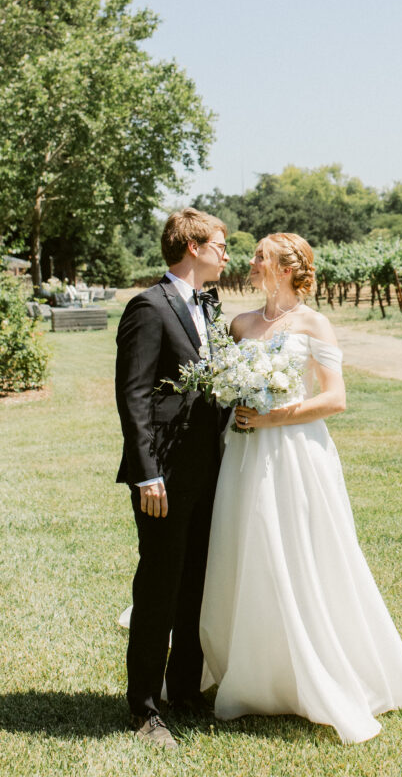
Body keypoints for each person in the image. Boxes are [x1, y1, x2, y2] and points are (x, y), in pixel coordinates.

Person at [200, 232, 402, 744]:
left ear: (284, 267)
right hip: (243, 451)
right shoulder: (240, 324)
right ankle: (255, 670)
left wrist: (274, 417)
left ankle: (319, 669)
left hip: (296, 453)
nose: (252, 261)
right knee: (248, 548)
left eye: (261, 256)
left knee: (305, 552)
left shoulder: (313, 323)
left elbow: (336, 399)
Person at [115, 208, 229, 748]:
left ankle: (185, 691)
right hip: (164, 474)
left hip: (211, 468)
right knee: (159, 587)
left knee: (197, 585)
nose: (225, 255)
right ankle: (144, 708)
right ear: (192, 247)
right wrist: (146, 475)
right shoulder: (148, 306)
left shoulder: (208, 304)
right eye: (220, 245)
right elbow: (134, 396)